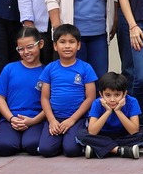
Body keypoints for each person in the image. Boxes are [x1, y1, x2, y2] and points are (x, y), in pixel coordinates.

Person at [31, 25, 96, 158]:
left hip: (77, 118)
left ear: (78, 45)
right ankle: (61, 140)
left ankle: (69, 140)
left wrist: (72, 119)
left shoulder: (85, 68)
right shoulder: (50, 68)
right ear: (55, 46)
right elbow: (44, 98)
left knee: (71, 150)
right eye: (62, 42)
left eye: (71, 42)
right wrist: (52, 120)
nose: (67, 46)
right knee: (45, 150)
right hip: (55, 117)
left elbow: (90, 97)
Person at [0, 28, 51, 156]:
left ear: (40, 44)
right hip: (11, 119)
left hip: (36, 120)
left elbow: (50, 102)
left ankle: (22, 141)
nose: (26, 52)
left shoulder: (47, 72)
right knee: (4, 147)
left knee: (32, 144)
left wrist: (33, 121)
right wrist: (11, 118)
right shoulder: (9, 69)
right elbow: (0, 97)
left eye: (30, 47)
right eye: (21, 49)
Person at [81, 69, 143, 160]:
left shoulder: (132, 102)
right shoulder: (97, 103)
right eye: (108, 95)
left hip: (123, 135)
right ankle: (120, 150)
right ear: (101, 94)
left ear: (124, 94)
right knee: (81, 134)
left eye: (117, 95)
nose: (112, 100)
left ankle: (99, 149)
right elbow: (92, 132)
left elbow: (133, 131)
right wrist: (108, 111)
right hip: (102, 135)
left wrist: (118, 111)